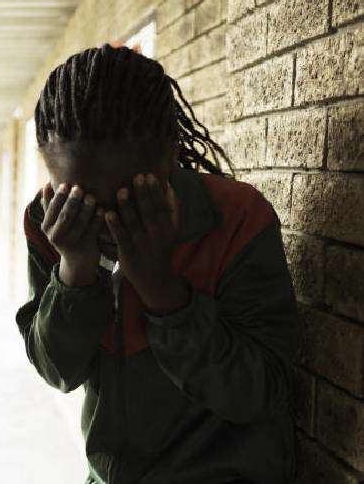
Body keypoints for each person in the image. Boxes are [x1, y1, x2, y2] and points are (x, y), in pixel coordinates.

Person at [16, 45, 298, 484]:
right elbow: (58, 371)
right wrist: (74, 269)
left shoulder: (237, 218)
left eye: (126, 199)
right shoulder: (49, 222)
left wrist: (161, 288)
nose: (106, 222)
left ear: (170, 155)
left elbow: (257, 394)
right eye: (82, 200)